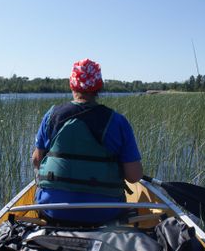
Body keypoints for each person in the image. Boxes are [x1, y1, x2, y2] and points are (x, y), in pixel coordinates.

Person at [32, 58, 143, 225]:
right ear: (99, 87)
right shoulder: (117, 121)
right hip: (105, 213)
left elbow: (36, 160)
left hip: (52, 209)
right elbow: (134, 177)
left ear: (71, 85)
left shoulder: (51, 116)